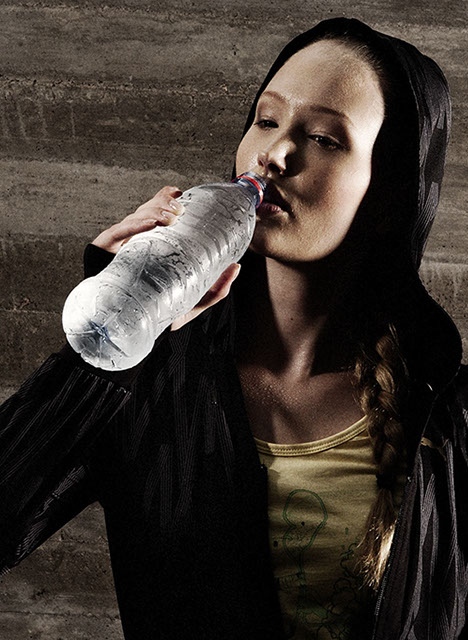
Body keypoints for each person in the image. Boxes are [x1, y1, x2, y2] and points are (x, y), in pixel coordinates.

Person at [0, 16, 467, 640]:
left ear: (388, 196)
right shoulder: (149, 381)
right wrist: (107, 344)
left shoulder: (448, 414)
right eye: (266, 121)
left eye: (324, 138)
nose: (274, 154)